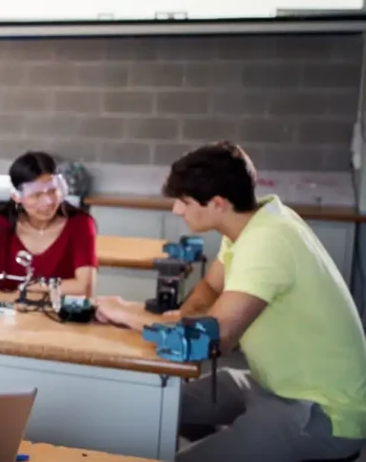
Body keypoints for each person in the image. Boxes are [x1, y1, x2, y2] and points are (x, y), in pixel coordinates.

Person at [94, 141, 366, 462]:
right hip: (271, 384)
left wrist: (125, 313)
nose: (176, 210)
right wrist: (181, 315)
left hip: (320, 410)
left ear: (219, 203)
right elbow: (210, 286)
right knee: (161, 405)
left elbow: (212, 339)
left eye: (183, 201)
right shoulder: (254, 221)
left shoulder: (267, 241)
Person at [0, 151, 97, 297]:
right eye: (36, 195)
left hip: (60, 315)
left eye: (53, 191)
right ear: (16, 196)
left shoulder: (80, 224)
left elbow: (84, 287)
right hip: (9, 315)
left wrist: (30, 288)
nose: (48, 201)